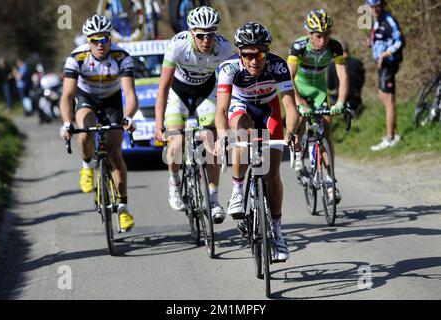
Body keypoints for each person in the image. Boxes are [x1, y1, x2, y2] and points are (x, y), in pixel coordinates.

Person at [214, 22, 299, 261]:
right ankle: (238, 190)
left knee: (272, 174)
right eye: (248, 55)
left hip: (269, 109)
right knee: (241, 133)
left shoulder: (278, 65)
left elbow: (290, 107)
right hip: (241, 107)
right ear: (239, 53)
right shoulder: (229, 68)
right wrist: (222, 136)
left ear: (267, 51)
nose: (254, 60)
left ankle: (278, 233)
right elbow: (221, 110)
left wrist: (291, 133)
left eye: (259, 53)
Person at [154, 6, 233, 223]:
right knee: (176, 144)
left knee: (211, 143)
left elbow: (236, 85)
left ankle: (214, 197)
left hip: (206, 92)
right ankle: (174, 181)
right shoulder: (177, 45)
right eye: (200, 35)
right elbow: (162, 88)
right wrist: (158, 123)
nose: (206, 40)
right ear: (191, 33)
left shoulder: (225, 49)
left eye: (211, 35)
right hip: (178, 92)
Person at [59, 15, 138, 232]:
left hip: (112, 101)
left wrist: (128, 118)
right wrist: (67, 123)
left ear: (110, 39)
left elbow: (130, 95)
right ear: (88, 41)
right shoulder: (77, 57)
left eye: (104, 39)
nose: (100, 44)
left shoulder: (122, 56)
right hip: (87, 99)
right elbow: (67, 95)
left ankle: (123, 208)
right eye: (95, 40)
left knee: (115, 152)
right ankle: (87, 166)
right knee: (83, 132)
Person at [287, 8, 349, 204]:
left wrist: (340, 101)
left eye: (327, 34)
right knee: (301, 117)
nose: (323, 40)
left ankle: (330, 181)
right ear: (309, 34)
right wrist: (299, 102)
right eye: (318, 35)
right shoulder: (298, 47)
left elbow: (343, 77)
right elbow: (288, 77)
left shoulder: (335, 47)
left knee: (326, 131)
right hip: (300, 88)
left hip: (319, 90)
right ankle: (297, 153)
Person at [366, 0, 405, 151]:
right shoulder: (377, 21)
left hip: (388, 64)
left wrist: (385, 54)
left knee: (388, 99)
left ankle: (390, 138)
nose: (374, 9)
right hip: (382, 66)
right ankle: (394, 133)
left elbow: (400, 41)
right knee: (384, 97)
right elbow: (381, 38)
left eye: (377, 6)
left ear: (382, 6)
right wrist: (371, 42)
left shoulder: (388, 20)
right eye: (372, 7)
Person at [327, 41, 365, 114]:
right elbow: (361, 82)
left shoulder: (332, 65)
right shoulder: (358, 63)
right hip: (355, 98)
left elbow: (330, 86)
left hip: (337, 99)